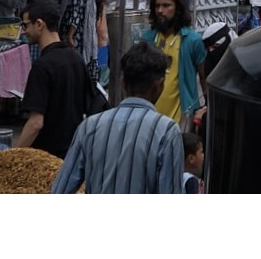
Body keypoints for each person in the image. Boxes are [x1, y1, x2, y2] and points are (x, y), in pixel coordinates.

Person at [51, 42, 187, 193]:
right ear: (159, 85)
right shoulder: (167, 131)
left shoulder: (89, 127)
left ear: (123, 83)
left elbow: (60, 190)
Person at [15, 0, 89, 158]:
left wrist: (13, 155)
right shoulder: (76, 58)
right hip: (74, 155)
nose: (24, 31)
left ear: (39, 24)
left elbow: (36, 123)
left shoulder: (42, 66)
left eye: (25, 25)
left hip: (48, 158)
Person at [140, 0, 209, 127]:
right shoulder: (148, 39)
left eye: (166, 6)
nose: (160, 11)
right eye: (157, 6)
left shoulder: (192, 40)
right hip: (150, 119)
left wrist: (206, 108)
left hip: (182, 120)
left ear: (177, 9)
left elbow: (204, 77)